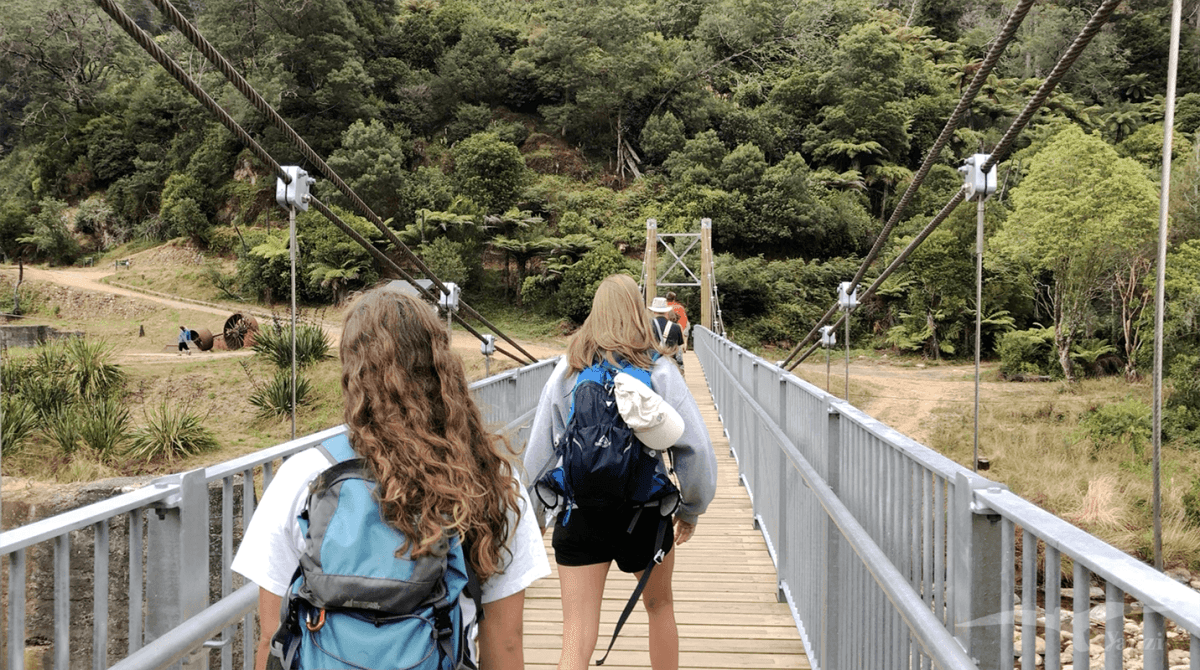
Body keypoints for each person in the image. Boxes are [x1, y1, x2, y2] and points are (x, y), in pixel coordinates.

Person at [232, 286, 550, 670]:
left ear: (351, 373)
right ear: (440, 365)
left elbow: (273, 638)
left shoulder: (303, 476)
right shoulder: (487, 480)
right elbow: (505, 645)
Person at [524, 274, 717, 670]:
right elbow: (695, 448)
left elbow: (540, 450)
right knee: (660, 608)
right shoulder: (659, 369)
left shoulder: (568, 370)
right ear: (638, 312)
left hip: (579, 513)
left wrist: (537, 514)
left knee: (576, 634)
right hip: (644, 514)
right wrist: (691, 508)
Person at [649, 297, 684, 368]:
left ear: (654, 311)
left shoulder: (647, 326)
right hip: (670, 364)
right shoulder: (676, 327)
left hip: (652, 364)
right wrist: (680, 365)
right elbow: (679, 349)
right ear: (666, 312)